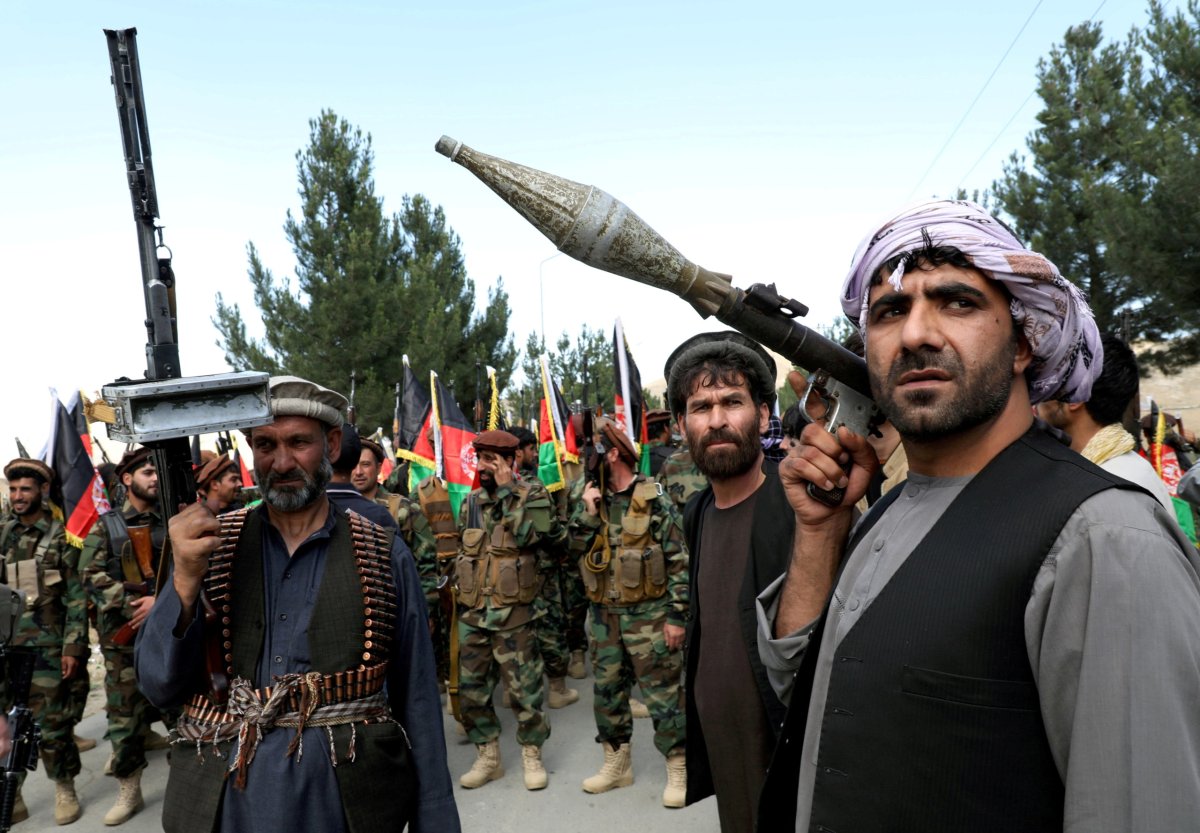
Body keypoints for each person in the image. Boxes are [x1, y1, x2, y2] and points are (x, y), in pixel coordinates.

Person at [757, 199, 1200, 832]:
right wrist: (821, 532)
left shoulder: (1104, 540)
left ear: (1024, 342)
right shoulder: (881, 512)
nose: (915, 334)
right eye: (889, 311)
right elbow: (810, 696)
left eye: (957, 302)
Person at [134, 376, 460, 833]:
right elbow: (158, 687)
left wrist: (437, 821)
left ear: (329, 444)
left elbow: (419, 702)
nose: (281, 461)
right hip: (225, 806)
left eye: (298, 442)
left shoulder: (383, 552)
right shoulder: (207, 547)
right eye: (265, 444)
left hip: (345, 804)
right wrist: (185, 579)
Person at [663, 333, 791, 832]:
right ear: (682, 424)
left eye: (732, 402)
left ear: (762, 416)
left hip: (785, 746)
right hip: (723, 746)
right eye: (701, 407)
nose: (716, 420)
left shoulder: (799, 503)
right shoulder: (697, 512)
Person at [567, 417, 688, 808]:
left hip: (649, 616)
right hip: (604, 618)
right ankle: (617, 763)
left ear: (613, 454)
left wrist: (676, 617)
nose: (587, 459)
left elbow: (679, 561)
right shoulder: (590, 498)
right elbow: (569, 555)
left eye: (594, 452)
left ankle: (678, 764)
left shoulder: (653, 497)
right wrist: (587, 513)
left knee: (663, 694)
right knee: (606, 694)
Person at [454, 430, 568, 791]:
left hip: (513, 614)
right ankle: (488, 756)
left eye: (492, 459)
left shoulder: (531, 495)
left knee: (525, 690)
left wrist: (506, 494)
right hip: (474, 613)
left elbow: (535, 540)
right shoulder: (469, 502)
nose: (484, 467)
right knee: (472, 692)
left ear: (510, 461)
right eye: (481, 458)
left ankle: (532, 753)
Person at [77, 445, 171, 825]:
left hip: (169, 637)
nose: (154, 478)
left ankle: (191, 776)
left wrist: (160, 602)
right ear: (127, 479)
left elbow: (191, 571)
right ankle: (129, 787)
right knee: (125, 720)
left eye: (156, 472)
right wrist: (132, 601)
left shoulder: (172, 521)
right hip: (124, 640)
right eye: (146, 472)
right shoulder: (108, 525)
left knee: (183, 711)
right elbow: (89, 576)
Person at [1, 458, 88, 825]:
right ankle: (12, 793)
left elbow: (76, 597)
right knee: (6, 726)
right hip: (6, 648)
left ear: (41, 492)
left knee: (53, 726)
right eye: (13, 489)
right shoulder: (3, 535)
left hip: (47, 649)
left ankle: (64, 787)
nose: (18, 496)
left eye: (25, 489)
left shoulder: (63, 539)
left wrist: (73, 647)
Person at [1037, 332, 1173, 509]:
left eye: (1050, 381)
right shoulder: (1127, 470)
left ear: (1076, 396)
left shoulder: (1106, 489)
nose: (1039, 393)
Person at [324, 423, 397, 529]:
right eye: (357, 465)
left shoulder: (306, 512)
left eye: (366, 464)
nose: (359, 472)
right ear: (353, 463)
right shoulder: (380, 515)